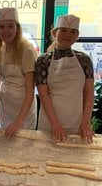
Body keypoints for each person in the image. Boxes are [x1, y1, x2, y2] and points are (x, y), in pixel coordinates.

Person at [35, 14, 94, 142]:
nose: (68, 35)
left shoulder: (84, 60)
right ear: (55, 33)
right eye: (63, 31)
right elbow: (44, 95)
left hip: (77, 122)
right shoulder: (43, 60)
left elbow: (89, 93)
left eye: (72, 32)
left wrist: (85, 122)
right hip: (49, 123)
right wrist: (55, 124)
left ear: (77, 36)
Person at [0, 7, 38, 137]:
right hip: (5, 107)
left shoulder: (27, 51)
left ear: (17, 29)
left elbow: (30, 92)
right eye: (2, 27)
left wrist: (18, 122)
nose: (6, 31)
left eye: (10, 26)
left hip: (24, 110)